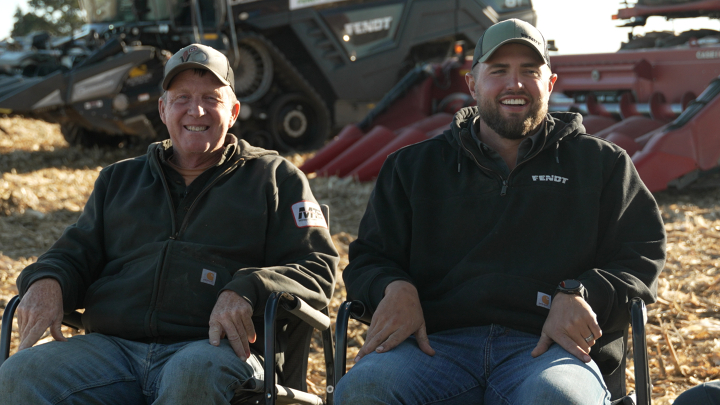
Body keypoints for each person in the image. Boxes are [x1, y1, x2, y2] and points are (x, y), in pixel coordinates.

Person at [334, 19, 666, 405]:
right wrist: (393, 287)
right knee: (361, 391)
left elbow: (641, 255)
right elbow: (368, 260)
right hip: (431, 350)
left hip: (550, 352)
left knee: (559, 399)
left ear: (551, 83)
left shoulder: (603, 165)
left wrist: (582, 292)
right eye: (498, 71)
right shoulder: (412, 168)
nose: (515, 84)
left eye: (530, 71)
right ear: (472, 84)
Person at [0, 43, 338, 404]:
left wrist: (248, 287)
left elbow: (317, 268)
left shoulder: (275, 178)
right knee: (19, 375)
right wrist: (46, 280)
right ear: (163, 109)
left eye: (211, 98)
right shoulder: (119, 179)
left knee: (191, 375)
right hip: (113, 350)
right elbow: (73, 253)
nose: (196, 110)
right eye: (182, 98)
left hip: (214, 349)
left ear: (234, 111)